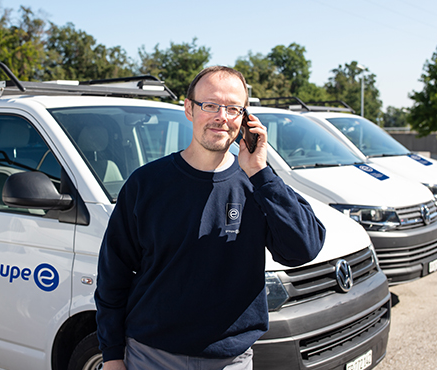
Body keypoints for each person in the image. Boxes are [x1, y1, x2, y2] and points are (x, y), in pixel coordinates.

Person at [94, 66, 326, 370]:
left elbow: (303, 249)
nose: (222, 117)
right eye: (211, 105)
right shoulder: (146, 184)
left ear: (245, 119)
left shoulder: (258, 184)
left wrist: (260, 172)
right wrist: (112, 355)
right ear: (189, 109)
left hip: (231, 360)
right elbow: (114, 276)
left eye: (233, 108)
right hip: (152, 356)